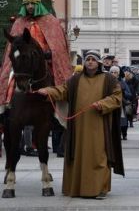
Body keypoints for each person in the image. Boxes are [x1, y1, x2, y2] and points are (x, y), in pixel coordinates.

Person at [37, 50, 124, 199]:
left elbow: (117, 97)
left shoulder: (109, 79)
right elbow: (62, 90)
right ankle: (76, 188)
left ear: (99, 63)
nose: (90, 62)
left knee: (99, 156)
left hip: (99, 125)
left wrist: (103, 104)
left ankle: (99, 189)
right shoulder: (75, 79)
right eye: (87, 59)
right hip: (78, 127)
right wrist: (48, 91)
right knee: (77, 155)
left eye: (93, 60)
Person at [0, 0, 72, 107]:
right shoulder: (19, 22)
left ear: (38, 4)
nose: (30, 6)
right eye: (27, 4)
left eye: (33, 3)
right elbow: (13, 46)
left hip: (46, 59)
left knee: (60, 81)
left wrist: (49, 54)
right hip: (23, 61)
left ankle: (61, 115)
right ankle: (5, 109)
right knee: (9, 79)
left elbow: (58, 46)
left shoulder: (51, 21)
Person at [110, 66, 132, 140]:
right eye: (112, 72)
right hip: (110, 104)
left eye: (115, 72)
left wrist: (122, 92)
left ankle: (124, 134)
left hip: (121, 105)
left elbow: (129, 94)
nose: (113, 74)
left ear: (118, 74)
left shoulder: (122, 82)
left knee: (123, 121)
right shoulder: (107, 82)